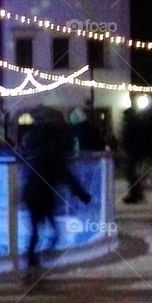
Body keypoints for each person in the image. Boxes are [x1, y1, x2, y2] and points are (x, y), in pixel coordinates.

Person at [17, 106, 91, 279]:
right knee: (48, 230)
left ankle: (33, 261)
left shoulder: (36, 144)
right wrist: (82, 194)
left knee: (39, 229)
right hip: (43, 194)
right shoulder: (55, 151)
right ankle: (34, 261)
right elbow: (65, 174)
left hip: (33, 193)